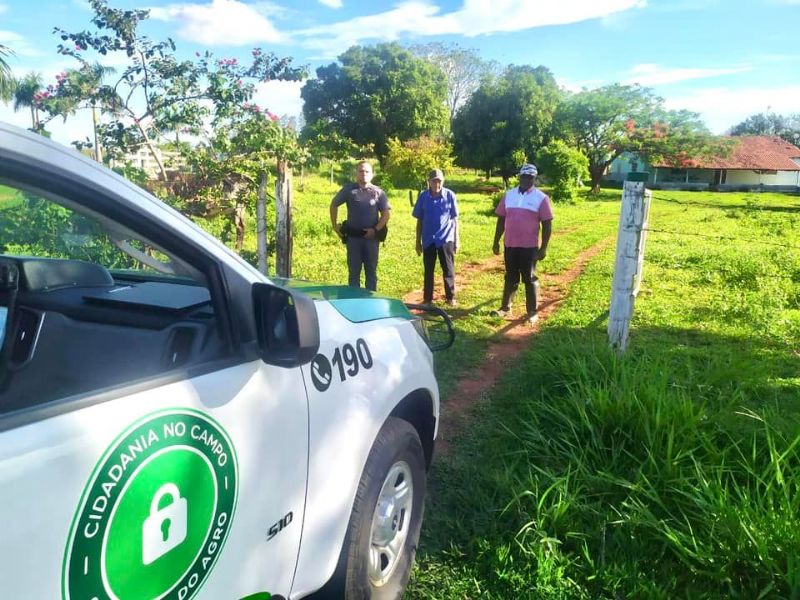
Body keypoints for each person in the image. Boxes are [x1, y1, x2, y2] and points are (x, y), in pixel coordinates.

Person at [492, 163, 553, 324]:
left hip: (529, 247)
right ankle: (505, 307)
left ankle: (532, 312)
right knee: (510, 276)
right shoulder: (509, 195)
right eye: (524, 176)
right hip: (510, 244)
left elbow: (547, 224)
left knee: (530, 278)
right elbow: (501, 219)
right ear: (519, 177)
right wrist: (496, 241)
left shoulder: (541, 198)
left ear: (534, 178)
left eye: (530, 177)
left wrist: (543, 248)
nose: (527, 179)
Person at [330, 161, 391, 291]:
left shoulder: (378, 192)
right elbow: (334, 204)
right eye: (361, 171)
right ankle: (354, 302)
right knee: (353, 274)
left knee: (371, 273)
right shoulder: (349, 190)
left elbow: (386, 214)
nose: (364, 174)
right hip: (353, 239)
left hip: (371, 239)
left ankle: (371, 303)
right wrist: (335, 226)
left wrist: (375, 230)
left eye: (367, 171)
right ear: (356, 173)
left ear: (372, 174)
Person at [413, 169, 459, 306]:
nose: (436, 184)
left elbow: (455, 219)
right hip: (428, 239)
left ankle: (450, 297)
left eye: (439, 181)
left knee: (448, 269)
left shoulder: (450, 195)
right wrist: (417, 241)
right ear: (429, 182)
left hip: (445, 238)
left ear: (442, 181)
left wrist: (457, 239)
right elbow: (419, 220)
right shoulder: (423, 197)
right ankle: (427, 299)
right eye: (434, 181)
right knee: (428, 270)